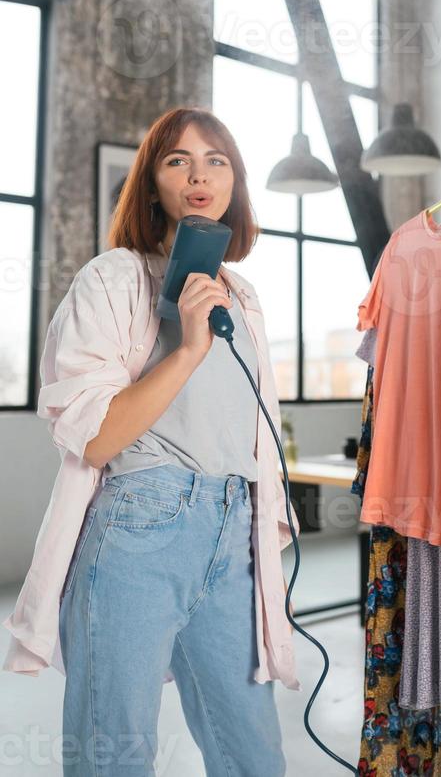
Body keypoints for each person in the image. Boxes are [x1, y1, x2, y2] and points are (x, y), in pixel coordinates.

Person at [51, 107, 295, 775]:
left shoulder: (240, 296)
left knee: (252, 749)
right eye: (177, 160)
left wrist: (267, 559)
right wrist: (186, 349)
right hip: (140, 529)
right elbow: (96, 438)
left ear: (235, 183)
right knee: (115, 746)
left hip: (234, 529)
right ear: (152, 182)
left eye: (217, 160)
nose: (199, 174)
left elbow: (255, 436)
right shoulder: (113, 277)